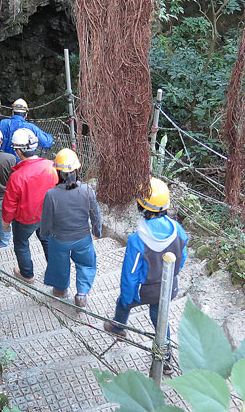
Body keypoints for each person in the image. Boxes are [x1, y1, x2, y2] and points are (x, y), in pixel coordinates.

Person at [104, 177, 188, 373]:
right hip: (167, 287)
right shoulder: (178, 231)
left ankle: (118, 327)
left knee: (123, 303)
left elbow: (130, 274)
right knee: (161, 320)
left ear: (141, 207)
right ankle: (165, 359)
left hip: (143, 290)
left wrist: (127, 297)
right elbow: (181, 259)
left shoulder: (137, 239)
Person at [40, 149, 102, 307]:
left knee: (58, 264)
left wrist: (44, 233)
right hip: (83, 239)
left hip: (59, 239)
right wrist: (97, 232)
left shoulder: (51, 194)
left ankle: (60, 290)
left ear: (58, 171)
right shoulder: (87, 190)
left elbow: (46, 221)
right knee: (86, 264)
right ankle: (81, 294)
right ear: (78, 169)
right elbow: (95, 216)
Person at [1, 128, 59, 284]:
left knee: (21, 244)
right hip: (48, 215)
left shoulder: (17, 176)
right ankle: (55, 272)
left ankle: (27, 274)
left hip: (25, 218)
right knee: (47, 241)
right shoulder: (51, 166)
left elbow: (10, 203)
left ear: (18, 151)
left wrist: (6, 221)